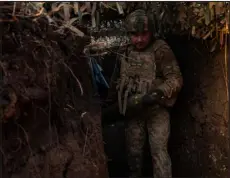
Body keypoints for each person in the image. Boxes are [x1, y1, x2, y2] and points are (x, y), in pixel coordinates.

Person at [116, 9, 183, 178]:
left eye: (144, 34)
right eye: (134, 34)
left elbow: (175, 78)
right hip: (133, 110)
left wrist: (157, 93)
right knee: (133, 154)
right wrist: (112, 103)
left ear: (151, 32)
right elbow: (116, 80)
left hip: (156, 111)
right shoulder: (124, 51)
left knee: (159, 154)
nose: (139, 39)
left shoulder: (160, 49)